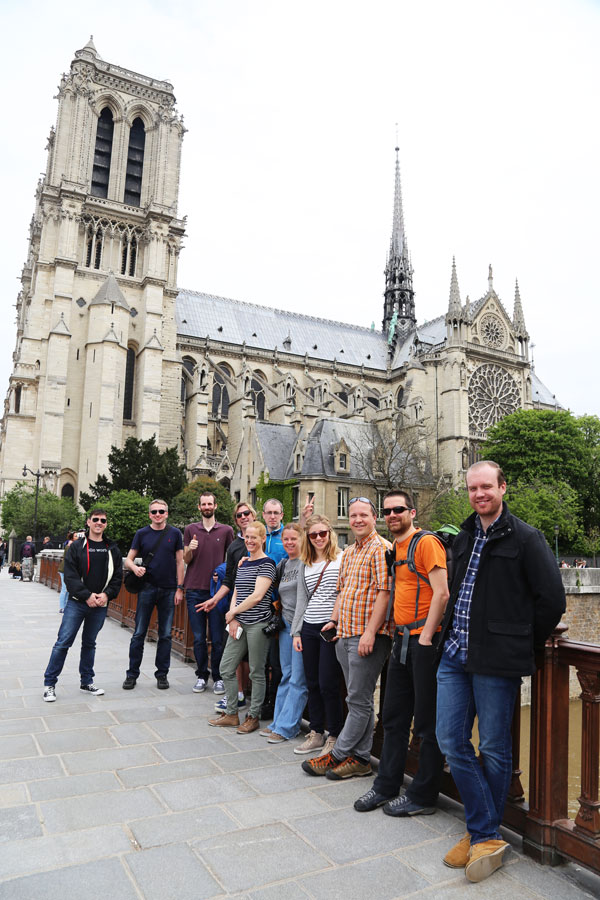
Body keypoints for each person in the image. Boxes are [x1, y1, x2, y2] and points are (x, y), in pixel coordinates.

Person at [435, 461, 566, 883]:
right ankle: (485, 832)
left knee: (492, 747)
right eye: (473, 488)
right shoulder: (466, 532)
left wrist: (520, 646)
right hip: (456, 653)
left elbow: (552, 600)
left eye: (486, 487)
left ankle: (480, 834)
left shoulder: (527, 537)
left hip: (496, 660)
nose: (479, 494)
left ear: (503, 488)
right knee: (450, 740)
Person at [354, 490, 449, 816]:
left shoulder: (426, 543)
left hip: (423, 642)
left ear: (413, 512)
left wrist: (425, 639)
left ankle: (423, 795)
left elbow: (442, 592)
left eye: (399, 510)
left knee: (426, 722)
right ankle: (386, 785)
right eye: (388, 511)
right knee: (394, 717)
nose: (392, 515)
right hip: (401, 642)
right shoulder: (395, 550)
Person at [302, 497, 392, 780]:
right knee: (358, 700)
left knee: (358, 698)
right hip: (344, 633)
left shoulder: (381, 549)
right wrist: (334, 622)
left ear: (374, 517)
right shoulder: (350, 552)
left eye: (363, 515)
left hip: (368, 636)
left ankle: (336, 754)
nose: (357, 520)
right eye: (353, 515)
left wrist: (369, 632)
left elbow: (384, 593)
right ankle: (362, 759)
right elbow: (342, 592)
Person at [42, 509, 123, 701]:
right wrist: (87, 596)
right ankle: (49, 684)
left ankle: (87, 681)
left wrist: (106, 595)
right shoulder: (77, 547)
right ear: (88, 522)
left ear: (106, 524)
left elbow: (118, 577)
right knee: (63, 643)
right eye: (95, 519)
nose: (99, 523)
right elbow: (69, 577)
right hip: (77, 603)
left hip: (100, 604)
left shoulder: (112, 548)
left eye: (103, 520)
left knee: (90, 643)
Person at [208, 521, 276, 733]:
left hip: (258, 623)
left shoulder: (268, 564)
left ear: (263, 539)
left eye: (254, 537)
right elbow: (236, 591)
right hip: (239, 622)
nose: (250, 541)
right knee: (226, 668)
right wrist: (233, 616)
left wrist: (234, 612)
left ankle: (253, 716)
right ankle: (231, 713)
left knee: (257, 672)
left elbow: (257, 596)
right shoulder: (243, 563)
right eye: (247, 537)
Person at [291, 515, 344, 756]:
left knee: (328, 683)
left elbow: (343, 593)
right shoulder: (306, 563)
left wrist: (336, 621)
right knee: (311, 682)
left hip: (330, 627)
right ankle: (316, 732)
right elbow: (302, 600)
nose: (319, 538)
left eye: (323, 533)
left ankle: (334, 734)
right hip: (310, 627)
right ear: (308, 539)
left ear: (330, 533)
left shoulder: (341, 558)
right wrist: (297, 632)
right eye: (314, 535)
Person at [201, 501, 258, 714]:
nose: (243, 517)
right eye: (239, 515)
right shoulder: (234, 546)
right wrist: (215, 599)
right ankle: (238, 695)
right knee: (233, 652)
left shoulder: (265, 540)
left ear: (253, 515)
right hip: (238, 606)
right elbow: (230, 579)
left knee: (256, 661)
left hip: (261, 608)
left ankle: (259, 706)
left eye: (247, 513)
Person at [122, 499, 184, 690]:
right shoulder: (142, 533)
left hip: (168, 589)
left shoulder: (175, 533)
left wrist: (180, 588)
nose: (158, 514)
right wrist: (135, 568)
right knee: (139, 632)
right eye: (154, 511)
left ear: (167, 513)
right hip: (147, 587)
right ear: (150, 514)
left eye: (161, 511)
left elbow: (180, 562)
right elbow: (128, 560)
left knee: (165, 634)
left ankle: (162, 675)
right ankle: (132, 674)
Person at [260, 523, 308, 744]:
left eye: (293, 539)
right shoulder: (283, 564)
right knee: (285, 675)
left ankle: (288, 727)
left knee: (298, 678)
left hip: (301, 628)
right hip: (286, 625)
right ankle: (278, 721)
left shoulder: (307, 563)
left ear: (301, 539)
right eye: (285, 539)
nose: (289, 542)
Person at [183, 492, 235, 694]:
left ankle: (218, 677)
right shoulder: (190, 530)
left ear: (215, 506)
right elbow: (186, 560)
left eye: (209, 504)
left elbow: (230, 561)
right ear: (199, 507)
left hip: (216, 592)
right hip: (195, 589)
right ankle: (201, 675)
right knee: (198, 637)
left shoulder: (226, 530)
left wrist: (220, 574)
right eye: (203, 504)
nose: (206, 507)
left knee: (217, 637)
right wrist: (190, 549)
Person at [58, 532, 75, 613]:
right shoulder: (70, 545)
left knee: (68, 589)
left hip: (68, 569)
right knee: (64, 589)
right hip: (64, 569)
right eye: (76, 536)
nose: (78, 537)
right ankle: (62, 607)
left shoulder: (73, 544)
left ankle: (65, 606)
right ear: (72, 537)